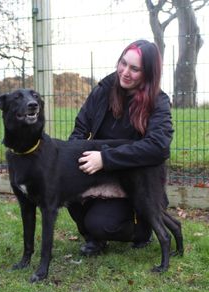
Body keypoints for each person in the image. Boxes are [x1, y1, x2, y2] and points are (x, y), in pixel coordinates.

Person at [67, 39, 174, 256]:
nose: (125, 72)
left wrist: (106, 158)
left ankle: (142, 229)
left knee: (101, 224)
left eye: (134, 69)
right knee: (66, 190)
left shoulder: (158, 102)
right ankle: (94, 237)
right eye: (123, 63)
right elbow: (80, 129)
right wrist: (72, 161)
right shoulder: (104, 89)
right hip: (98, 171)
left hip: (134, 179)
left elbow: (159, 146)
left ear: (148, 73)